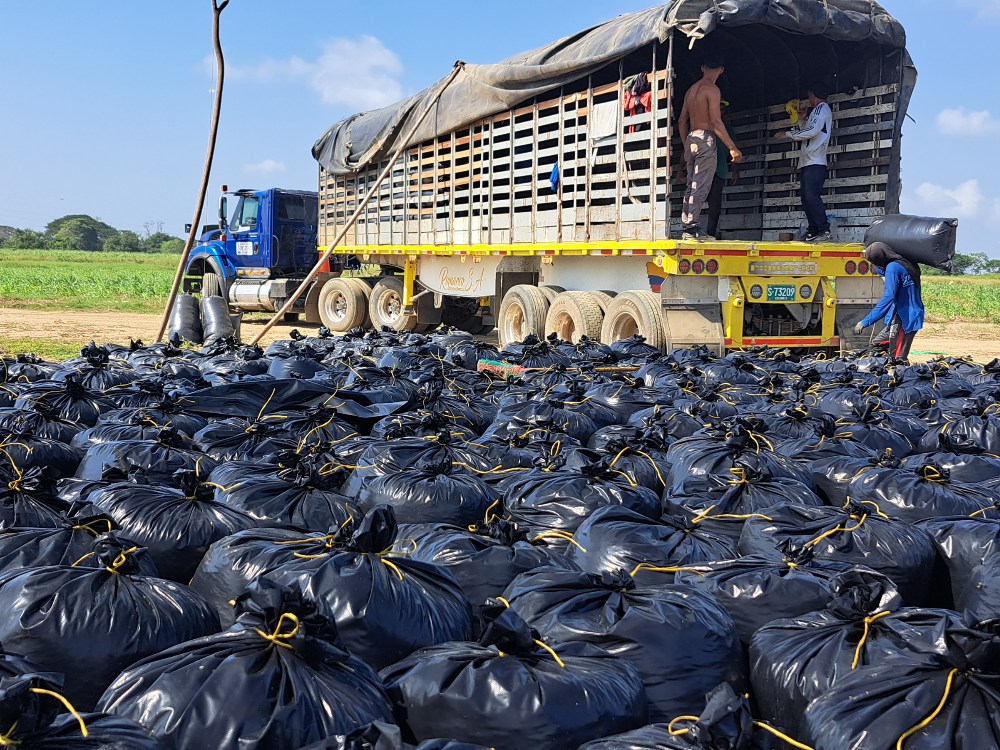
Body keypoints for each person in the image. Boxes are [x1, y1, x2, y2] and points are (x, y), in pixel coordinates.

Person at [677, 55, 743, 240]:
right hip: (705, 138)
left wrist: (686, 144)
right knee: (702, 184)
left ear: (702, 67)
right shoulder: (712, 90)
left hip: (691, 137)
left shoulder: (691, 90)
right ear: (721, 70)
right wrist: (732, 147)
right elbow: (715, 121)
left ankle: (687, 225)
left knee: (692, 184)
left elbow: (682, 121)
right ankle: (691, 228)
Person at [777, 82, 833, 242]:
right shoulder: (816, 111)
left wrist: (788, 134)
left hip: (816, 161)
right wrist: (802, 120)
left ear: (813, 95)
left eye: (809, 95)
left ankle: (824, 230)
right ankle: (813, 229)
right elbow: (809, 129)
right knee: (806, 197)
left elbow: (812, 131)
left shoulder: (822, 109)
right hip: (809, 161)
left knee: (811, 196)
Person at [853, 241, 925, 361]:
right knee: (879, 346)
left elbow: (888, 297)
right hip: (906, 315)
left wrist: (865, 321)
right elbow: (886, 271)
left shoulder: (893, 268)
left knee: (897, 358)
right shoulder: (905, 263)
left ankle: (896, 376)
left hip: (904, 319)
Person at [706, 100, 739, 239]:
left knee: (715, 206)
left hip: (719, 171)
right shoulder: (703, 126)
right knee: (694, 200)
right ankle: (690, 231)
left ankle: (710, 234)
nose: (720, 112)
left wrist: (735, 169)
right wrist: (681, 168)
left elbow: (734, 150)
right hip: (703, 171)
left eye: (722, 110)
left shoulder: (728, 130)